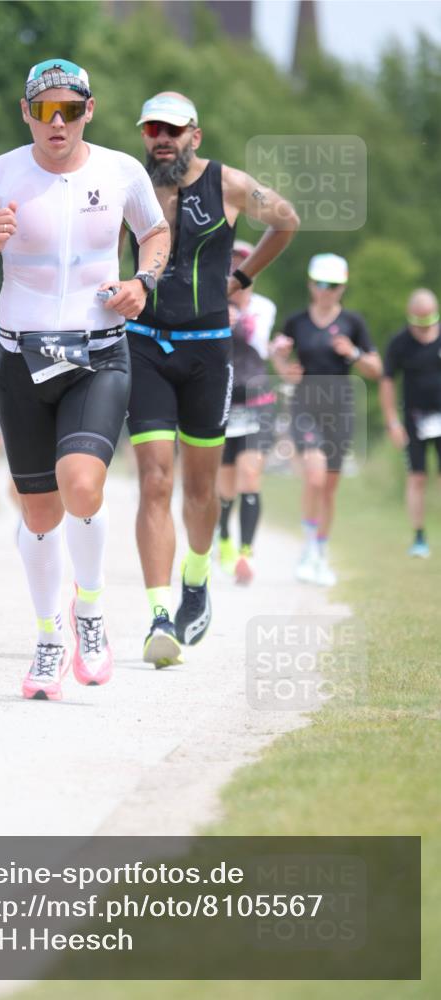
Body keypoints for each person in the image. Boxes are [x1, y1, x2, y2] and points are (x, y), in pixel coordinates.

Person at [0, 58, 170, 700]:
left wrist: (142, 282)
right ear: (26, 113)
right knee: (39, 512)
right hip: (22, 359)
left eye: (70, 110)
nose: (57, 122)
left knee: (82, 486)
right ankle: (49, 639)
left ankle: (89, 612)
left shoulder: (121, 172)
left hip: (98, 353)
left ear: (88, 112)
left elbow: (155, 233)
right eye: (44, 110)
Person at [126, 91, 299, 667]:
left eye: (173, 130)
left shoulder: (228, 183)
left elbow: (287, 220)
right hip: (144, 345)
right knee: (155, 480)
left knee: (201, 490)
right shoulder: (130, 185)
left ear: (194, 136)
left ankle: (196, 580)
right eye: (153, 129)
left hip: (207, 351)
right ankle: (159, 614)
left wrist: (243, 277)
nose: (162, 139)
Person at [271, 253, 382, 586]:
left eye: (332, 285)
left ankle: (320, 553)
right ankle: (307, 550)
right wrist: (283, 366)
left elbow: (376, 369)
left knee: (329, 489)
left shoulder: (353, 323)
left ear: (342, 288)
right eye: (320, 284)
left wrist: (354, 353)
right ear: (311, 285)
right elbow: (279, 356)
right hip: (305, 406)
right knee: (315, 478)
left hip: (339, 409)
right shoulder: (296, 322)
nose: (325, 291)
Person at [217, 240, 278, 585]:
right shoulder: (211, 304)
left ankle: (246, 553)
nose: (237, 271)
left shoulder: (263, 308)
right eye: (231, 264)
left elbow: (257, 342)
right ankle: (224, 540)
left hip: (257, 403)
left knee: (250, 477)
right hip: (222, 403)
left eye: (243, 264)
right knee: (224, 487)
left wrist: (237, 317)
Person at [380, 288, 441, 558]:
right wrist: (392, 421)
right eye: (419, 321)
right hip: (415, 419)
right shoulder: (400, 343)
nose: (423, 327)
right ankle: (419, 536)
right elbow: (387, 381)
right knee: (417, 477)